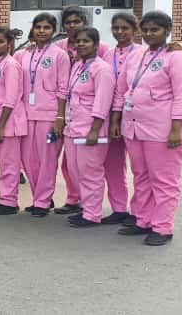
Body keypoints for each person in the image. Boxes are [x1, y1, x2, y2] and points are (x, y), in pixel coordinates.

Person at [113, 11, 182, 246]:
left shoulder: (177, 58)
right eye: (146, 30)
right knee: (141, 176)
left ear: (167, 31)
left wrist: (176, 129)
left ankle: (163, 227)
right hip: (135, 128)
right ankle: (143, 220)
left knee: (164, 180)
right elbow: (122, 90)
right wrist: (116, 120)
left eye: (155, 30)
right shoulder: (137, 55)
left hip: (164, 131)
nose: (149, 34)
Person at [14, 12, 71, 217]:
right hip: (26, 114)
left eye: (46, 28)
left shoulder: (60, 55)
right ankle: (39, 196)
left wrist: (60, 117)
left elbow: (63, 89)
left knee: (47, 160)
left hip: (49, 115)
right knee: (28, 159)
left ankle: (43, 201)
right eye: (38, 27)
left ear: (53, 31)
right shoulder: (24, 54)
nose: (41, 31)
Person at [64, 27, 117, 228]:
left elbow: (102, 102)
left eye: (85, 41)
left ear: (95, 45)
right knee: (75, 171)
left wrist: (94, 130)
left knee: (90, 173)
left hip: (91, 129)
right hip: (73, 127)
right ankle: (86, 208)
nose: (80, 44)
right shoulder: (78, 65)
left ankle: (92, 214)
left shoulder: (102, 69)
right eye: (78, 41)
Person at [99, 13, 142, 225]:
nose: (120, 32)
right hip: (111, 116)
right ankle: (118, 208)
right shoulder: (107, 54)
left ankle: (139, 211)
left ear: (135, 30)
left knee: (140, 167)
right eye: (116, 28)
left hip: (136, 116)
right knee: (113, 164)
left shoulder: (143, 53)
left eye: (125, 28)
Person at [0, 27, 27, 215]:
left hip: (8, 123)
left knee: (10, 164)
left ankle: (9, 202)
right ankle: (6, 198)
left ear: (9, 43)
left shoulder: (10, 65)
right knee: (4, 163)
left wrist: (1, 126)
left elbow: (10, 99)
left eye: (0, 41)